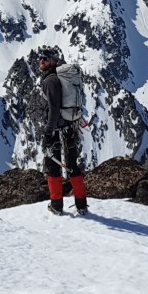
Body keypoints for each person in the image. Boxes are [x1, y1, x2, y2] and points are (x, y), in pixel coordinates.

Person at [37, 50, 89, 215]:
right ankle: (81, 204)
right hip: (70, 128)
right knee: (73, 166)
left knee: (53, 166)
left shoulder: (50, 81)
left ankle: (56, 205)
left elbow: (53, 110)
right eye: (40, 58)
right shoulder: (61, 79)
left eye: (45, 58)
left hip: (56, 131)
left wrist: (47, 134)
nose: (41, 61)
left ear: (53, 61)